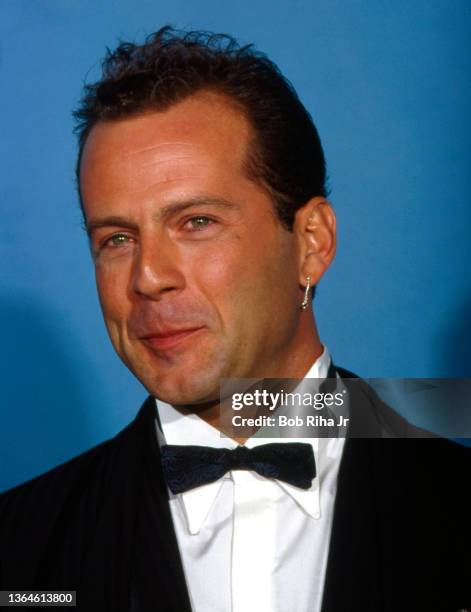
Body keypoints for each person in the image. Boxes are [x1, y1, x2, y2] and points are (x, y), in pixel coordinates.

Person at [0, 26, 469, 612]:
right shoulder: (16, 551)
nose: (148, 277)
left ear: (312, 243)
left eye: (196, 222)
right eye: (117, 238)